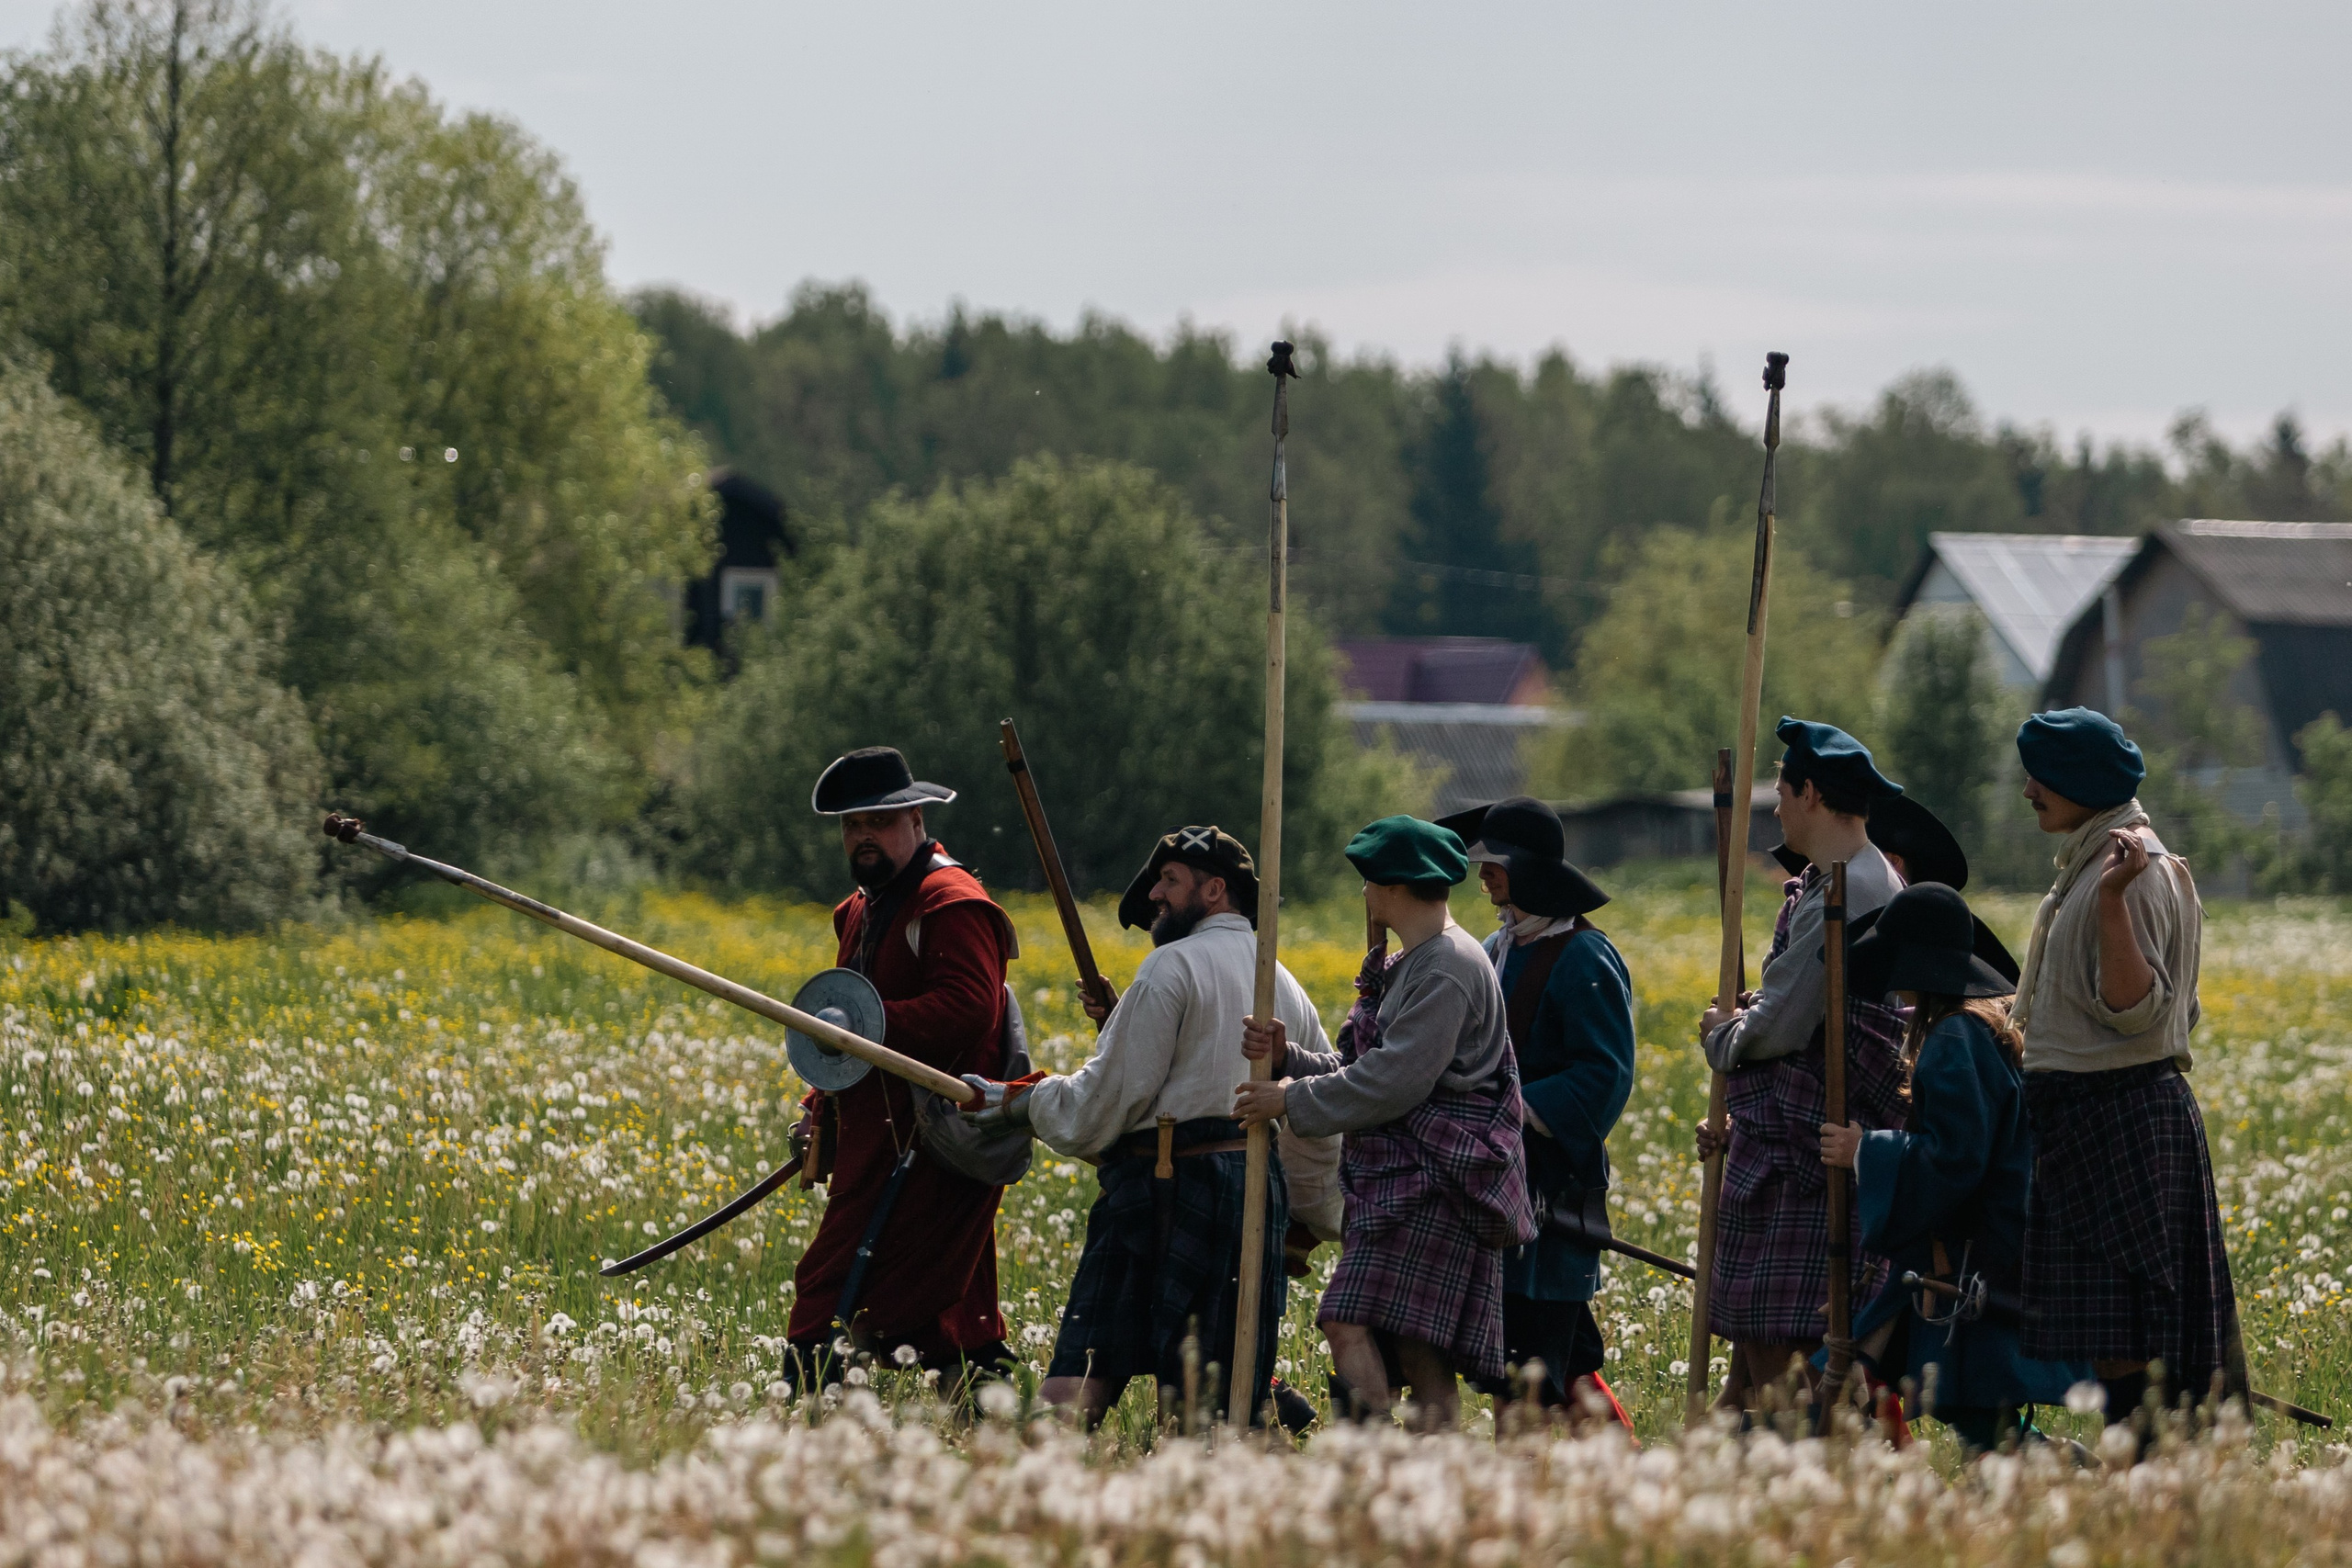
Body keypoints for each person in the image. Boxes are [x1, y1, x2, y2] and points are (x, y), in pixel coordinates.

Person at [959, 826, 1322, 1427]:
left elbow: (1104, 1101)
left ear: (1214, 888)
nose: (1154, 892)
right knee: (1207, 1398)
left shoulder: (1170, 966)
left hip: (1165, 1188)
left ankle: (1043, 1502)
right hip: (1251, 1187)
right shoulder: (1281, 980)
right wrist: (1304, 1215)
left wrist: (1014, 1101)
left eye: (1170, 880)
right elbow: (1317, 1105)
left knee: (1077, 1388)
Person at [1237, 816, 1536, 1430]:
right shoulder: (1416, 960)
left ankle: (1379, 1455)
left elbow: (1394, 1081)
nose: (1364, 891)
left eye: (1369, 878)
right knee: (1416, 1347)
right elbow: (1363, 1065)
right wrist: (1292, 1057)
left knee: (1344, 1316)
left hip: (1437, 1180)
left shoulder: (1448, 965)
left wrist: (1289, 1097)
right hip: (1416, 1181)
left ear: (1393, 885)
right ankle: (1431, 1472)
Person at [2007, 707, 2243, 1438]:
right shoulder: (2100, 858)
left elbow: (2136, 1008)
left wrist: (2111, 901)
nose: (2028, 791)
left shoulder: (2127, 872)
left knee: (2132, 1349)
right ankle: (2142, 1480)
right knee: (2119, 1345)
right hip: (2099, 1119)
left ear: (2080, 781)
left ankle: (2149, 1488)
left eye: (2041, 776)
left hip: (2119, 1117)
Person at [1815, 882, 2089, 1453]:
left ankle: (2065, 1471)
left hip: (1975, 1252)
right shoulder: (1975, 1029)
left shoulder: (1951, 1040)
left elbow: (1958, 1158)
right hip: (1986, 1246)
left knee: (1971, 1413)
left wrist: (1866, 1149)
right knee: (1871, 1376)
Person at [1695, 718, 1911, 1412]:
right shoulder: (1835, 880)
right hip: (1794, 1152)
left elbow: (1784, 1025)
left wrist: (1723, 1035)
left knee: (1782, 1369)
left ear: (1812, 793)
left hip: (1808, 1162)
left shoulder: (1856, 889)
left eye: (1783, 793)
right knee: (1750, 1386)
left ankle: (1824, 1505)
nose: (1777, 808)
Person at [786, 747, 1018, 1388]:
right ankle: (988, 1419)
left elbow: (969, 1009)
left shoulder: (951, 900)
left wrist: (865, 1026)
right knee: (948, 1312)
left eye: (876, 822)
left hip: (931, 1140)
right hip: (876, 1135)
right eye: (851, 826)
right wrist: (817, 1109)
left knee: (830, 1284)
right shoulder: (859, 908)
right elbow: (845, 1030)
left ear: (915, 818)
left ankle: (806, 1413)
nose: (862, 836)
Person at [1437, 796, 1636, 1426]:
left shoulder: (1584, 955)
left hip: (1550, 1188)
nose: (1483, 875)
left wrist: (1513, 1107)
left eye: (1494, 863)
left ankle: (1523, 1502)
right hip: (1500, 1183)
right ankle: (1626, 1483)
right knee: (1557, 1365)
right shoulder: (1498, 945)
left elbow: (1604, 1075)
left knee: (1525, 1376)